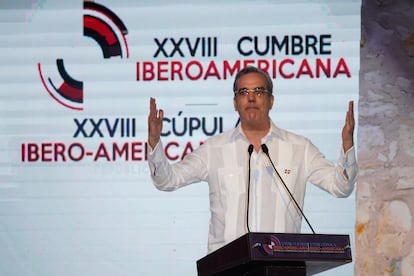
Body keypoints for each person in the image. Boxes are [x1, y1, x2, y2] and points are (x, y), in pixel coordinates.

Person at [147, 66, 358, 253]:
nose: (251, 97)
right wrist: (155, 142)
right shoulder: (214, 149)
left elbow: (340, 187)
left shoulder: (299, 148)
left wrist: (347, 146)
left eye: (259, 91)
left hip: (281, 267)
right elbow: (168, 181)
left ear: (271, 100)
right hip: (227, 267)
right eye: (243, 92)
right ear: (235, 103)